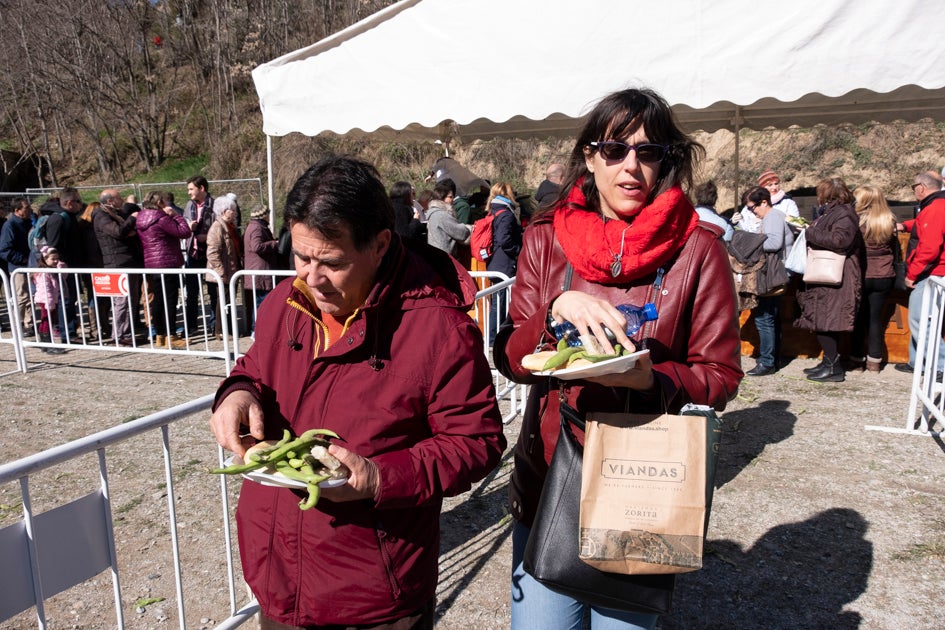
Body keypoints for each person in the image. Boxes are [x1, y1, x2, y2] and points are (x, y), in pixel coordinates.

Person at [208, 155, 506, 628]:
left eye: (330, 262)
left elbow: (478, 440)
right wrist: (237, 392)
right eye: (301, 257)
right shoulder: (286, 303)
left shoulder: (439, 328)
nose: (309, 277)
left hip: (374, 596)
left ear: (380, 244)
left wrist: (380, 477)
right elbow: (254, 366)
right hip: (278, 578)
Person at [493, 87, 742, 630]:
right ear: (590, 156)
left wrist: (649, 379)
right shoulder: (544, 239)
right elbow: (513, 358)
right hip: (551, 475)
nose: (631, 166)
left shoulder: (698, 250)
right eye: (614, 149)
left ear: (665, 162)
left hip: (642, 478)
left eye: (648, 152)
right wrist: (554, 309)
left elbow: (721, 374)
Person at [794, 177, 863, 383]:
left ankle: (834, 367)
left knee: (827, 321)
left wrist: (809, 232)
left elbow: (840, 241)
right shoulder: (836, 212)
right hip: (828, 277)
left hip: (837, 277)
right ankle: (829, 362)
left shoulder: (844, 214)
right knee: (823, 320)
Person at [897, 170, 945, 374]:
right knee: (922, 319)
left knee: (919, 319)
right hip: (933, 271)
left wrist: (911, 274)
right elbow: (922, 226)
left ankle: (941, 365)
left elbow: (929, 248)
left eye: (913, 187)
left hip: (932, 273)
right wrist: (905, 225)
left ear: (921, 188)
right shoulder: (936, 206)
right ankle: (918, 363)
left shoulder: (935, 208)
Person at [743, 186, 793, 376]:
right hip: (777, 274)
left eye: (752, 207)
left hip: (772, 275)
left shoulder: (772, 216)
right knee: (771, 318)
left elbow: (773, 243)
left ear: (764, 202)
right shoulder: (776, 216)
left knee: (764, 319)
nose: (752, 211)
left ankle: (767, 362)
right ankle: (772, 359)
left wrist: (751, 240)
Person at [848, 185, 897, 373]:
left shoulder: (857, 221)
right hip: (884, 275)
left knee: (859, 319)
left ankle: (856, 360)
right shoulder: (889, 220)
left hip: (862, 274)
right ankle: (874, 362)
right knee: (876, 320)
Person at [137, 191, 190, 349]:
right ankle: (171, 335)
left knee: (159, 299)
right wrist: (176, 215)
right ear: (159, 202)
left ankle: (160, 335)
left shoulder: (141, 218)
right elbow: (184, 232)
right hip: (167, 262)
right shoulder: (161, 218)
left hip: (152, 263)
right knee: (170, 300)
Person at [93, 189, 142, 346]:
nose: (121, 200)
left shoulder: (115, 214)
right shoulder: (101, 216)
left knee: (131, 300)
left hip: (127, 261)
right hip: (117, 262)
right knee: (122, 301)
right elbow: (118, 232)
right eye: (118, 198)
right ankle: (120, 335)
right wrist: (132, 219)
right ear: (110, 201)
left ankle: (127, 332)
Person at [483, 182, 523, 344]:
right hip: (504, 264)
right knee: (500, 304)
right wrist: (518, 250)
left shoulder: (493, 211)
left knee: (498, 303)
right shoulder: (506, 214)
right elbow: (504, 239)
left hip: (495, 262)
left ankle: (493, 338)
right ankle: (493, 339)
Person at [44, 187, 83, 340]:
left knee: (71, 299)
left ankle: (71, 331)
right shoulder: (58, 218)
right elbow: (52, 245)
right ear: (69, 202)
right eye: (78, 201)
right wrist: (57, 265)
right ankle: (68, 334)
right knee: (65, 300)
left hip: (72, 265)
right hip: (63, 267)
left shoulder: (69, 216)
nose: (81, 204)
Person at [205, 195, 243, 338]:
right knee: (223, 302)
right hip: (224, 273)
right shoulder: (217, 227)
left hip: (232, 270)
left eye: (234, 210)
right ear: (222, 211)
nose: (234, 212)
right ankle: (221, 331)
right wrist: (220, 272)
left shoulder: (230, 227)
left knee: (228, 301)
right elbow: (213, 252)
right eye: (231, 210)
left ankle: (228, 329)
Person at [183, 176, 215, 334]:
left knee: (213, 291)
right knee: (192, 292)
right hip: (193, 253)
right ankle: (191, 326)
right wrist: (188, 227)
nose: (189, 192)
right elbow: (182, 224)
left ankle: (215, 326)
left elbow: (219, 229)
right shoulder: (189, 205)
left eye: (191, 189)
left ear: (201, 188)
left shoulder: (214, 205)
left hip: (210, 254)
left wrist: (207, 237)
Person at [0, 198, 36, 335]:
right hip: (17, 268)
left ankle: (29, 323)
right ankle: (18, 324)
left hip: (30, 265)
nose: (30, 210)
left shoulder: (29, 222)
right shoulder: (10, 225)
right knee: (21, 296)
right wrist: (22, 259)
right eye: (26, 208)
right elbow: (4, 250)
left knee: (31, 296)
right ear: (17, 211)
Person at [242, 205, 279, 333]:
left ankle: (257, 329)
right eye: (268, 214)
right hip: (260, 273)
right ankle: (257, 330)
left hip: (258, 272)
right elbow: (257, 246)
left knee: (260, 302)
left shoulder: (254, 226)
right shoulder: (257, 228)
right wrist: (275, 244)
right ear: (264, 215)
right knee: (262, 302)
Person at [32, 246, 67, 354]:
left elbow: (63, 277)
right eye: (53, 259)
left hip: (50, 299)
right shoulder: (43, 273)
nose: (56, 261)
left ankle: (44, 344)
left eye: (57, 258)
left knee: (46, 320)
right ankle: (48, 344)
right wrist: (49, 301)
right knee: (47, 321)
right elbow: (45, 289)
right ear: (45, 259)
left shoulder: (52, 270)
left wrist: (61, 267)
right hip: (46, 299)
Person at [425, 180, 471, 258]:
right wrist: (471, 228)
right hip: (445, 259)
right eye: (450, 197)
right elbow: (461, 233)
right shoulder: (441, 215)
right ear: (442, 197)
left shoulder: (434, 212)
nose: (452, 199)